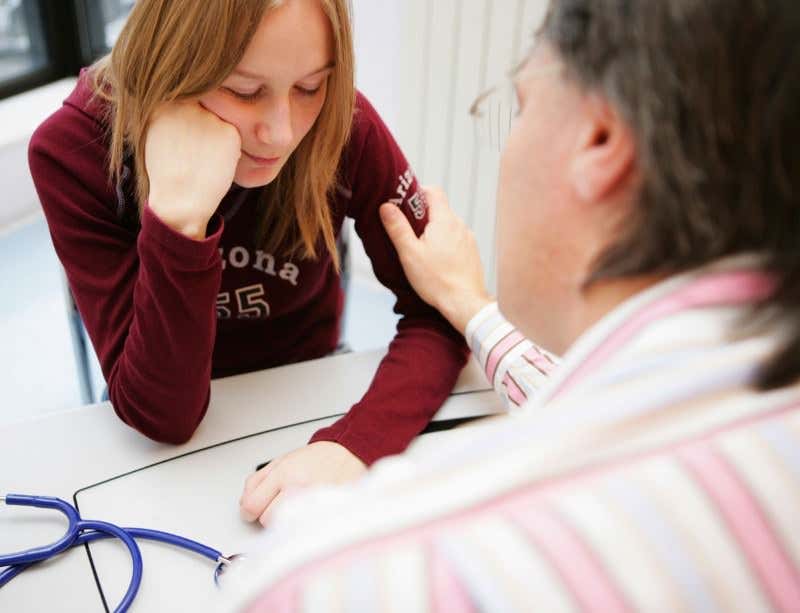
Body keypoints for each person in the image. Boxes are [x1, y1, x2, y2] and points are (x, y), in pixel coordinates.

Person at [225, 0, 800, 609]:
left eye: (517, 108)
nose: (280, 131)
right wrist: (471, 306)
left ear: (599, 139)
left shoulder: (351, 578)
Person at [28, 0, 467, 526]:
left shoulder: (346, 124)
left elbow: (443, 311)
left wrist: (352, 447)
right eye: (243, 90)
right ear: (171, 63)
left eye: (310, 86)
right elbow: (163, 417)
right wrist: (180, 219)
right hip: (159, 421)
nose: (281, 133)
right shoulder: (72, 149)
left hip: (307, 389)